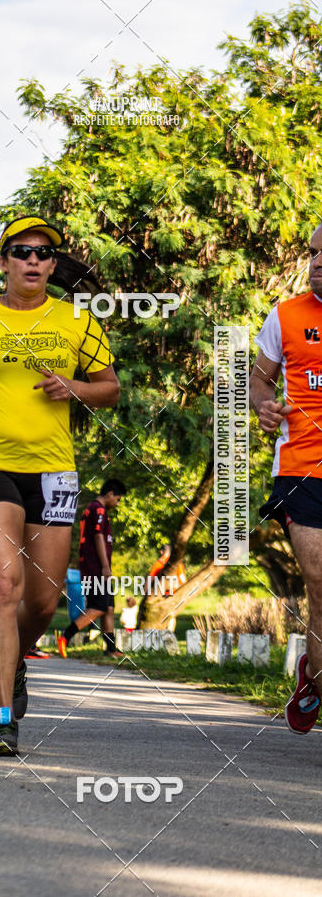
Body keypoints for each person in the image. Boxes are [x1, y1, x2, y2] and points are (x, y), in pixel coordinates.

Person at [0, 215, 119, 755]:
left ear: (53, 266)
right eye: (22, 251)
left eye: (44, 253)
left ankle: (13, 665)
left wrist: (75, 386)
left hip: (54, 469)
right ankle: (3, 717)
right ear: (3, 262)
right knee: (5, 585)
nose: (34, 260)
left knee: (42, 600)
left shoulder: (77, 322)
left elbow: (111, 389)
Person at [251, 226, 322, 735]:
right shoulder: (286, 314)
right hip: (302, 469)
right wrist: (264, 407)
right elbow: (258, 379)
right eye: (313, 253)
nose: (316, 262)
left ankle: (313, 679)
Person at [57, 479, 125, 658]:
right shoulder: (98, 509)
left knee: (108, 607)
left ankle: (111, 649)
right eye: (117, 499)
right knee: (99, 607)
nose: (117, 504)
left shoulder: (94, 509)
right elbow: (98, 537)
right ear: (110, 493)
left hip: (97, 566)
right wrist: (104, 566)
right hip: (94, 567)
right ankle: (66, 636)